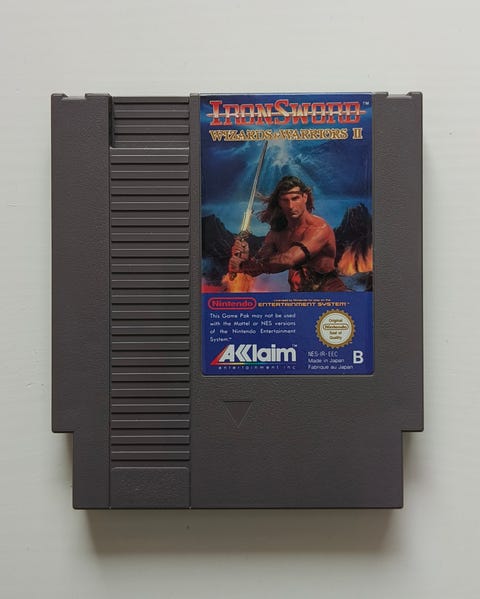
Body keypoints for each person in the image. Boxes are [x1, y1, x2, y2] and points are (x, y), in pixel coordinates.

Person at [228, 175, 346, 292]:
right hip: (298, 295)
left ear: (304, 197)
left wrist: (244, 266)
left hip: (329, 294)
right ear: (279, 202)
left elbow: (289, 259)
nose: (290, 206)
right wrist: (244, 259)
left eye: (295, 198)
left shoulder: (319, 228)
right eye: (285, 200)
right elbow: (259, 265)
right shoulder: (277, 233)